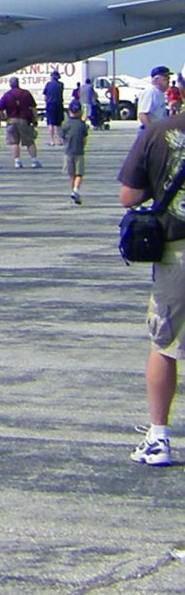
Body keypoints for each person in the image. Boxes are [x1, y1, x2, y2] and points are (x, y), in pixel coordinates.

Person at [117, 105, 185, 465]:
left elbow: (128, 196)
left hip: (177, 253)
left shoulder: (159, 131)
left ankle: (159, 438)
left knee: (166, 345)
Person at [0, 77, 41, 169]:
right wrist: (35, 120)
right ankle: (34, 161)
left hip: (11, 120)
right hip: (24, 120)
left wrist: (3, 118)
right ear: (18, 83)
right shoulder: (26, 93)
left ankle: (17, 162)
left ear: (10, 84)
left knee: (14, 142)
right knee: (29, 142)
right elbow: (33, 108)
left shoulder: (7, 95)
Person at [62, 110, 89, 205]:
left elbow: (62, 137)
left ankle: (73, 192)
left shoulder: (66, 124)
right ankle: (76, 190)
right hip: (79, 152)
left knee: (71, 174)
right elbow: (84, 138)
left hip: (68, 152)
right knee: (79, 174)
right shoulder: (82, 125)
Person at [44, 69, 66, 147]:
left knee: (50, 123)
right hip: (59, 104)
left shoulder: (48, 84)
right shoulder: (61, 85)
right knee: (59, 124)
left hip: (50, 105)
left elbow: (45, 96)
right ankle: (61, 140)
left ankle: (52, 140)